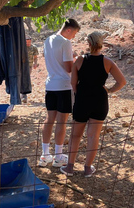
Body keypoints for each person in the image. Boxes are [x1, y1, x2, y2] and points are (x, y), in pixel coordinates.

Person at [60, 31, 126, 177]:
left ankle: (70, 167)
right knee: (93, 136)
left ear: (89, 44)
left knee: (75, 135)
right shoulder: (108, 62)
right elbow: (122, 82)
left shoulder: (80, 60)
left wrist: (79, 94)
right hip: (100, 101)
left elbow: (73, 83)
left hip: (83, 100)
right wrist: (108, 90)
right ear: (101, 44)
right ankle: (88, 168)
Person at [40, 18, 81, 168]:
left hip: (50, 84)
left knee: (49, 118)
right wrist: (76, 59)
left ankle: (45, 154)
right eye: (74, 33)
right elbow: (69, 68)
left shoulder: (48, 39)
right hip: (63, 85)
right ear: (68, 30)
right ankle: (58, 156)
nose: (74, 37)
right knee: (61, 121)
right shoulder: (65, 42)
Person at [21, 35, 39, 103]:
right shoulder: (21, 48)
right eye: (26, 42)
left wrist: (35, 63)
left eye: (29, 42)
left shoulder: (33, 48)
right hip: (21, 66)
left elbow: (35, 57)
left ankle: (24, 95)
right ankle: (21, 95)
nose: (28, 44)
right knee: (21, 79)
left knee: (26, 79)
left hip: (29, 66)